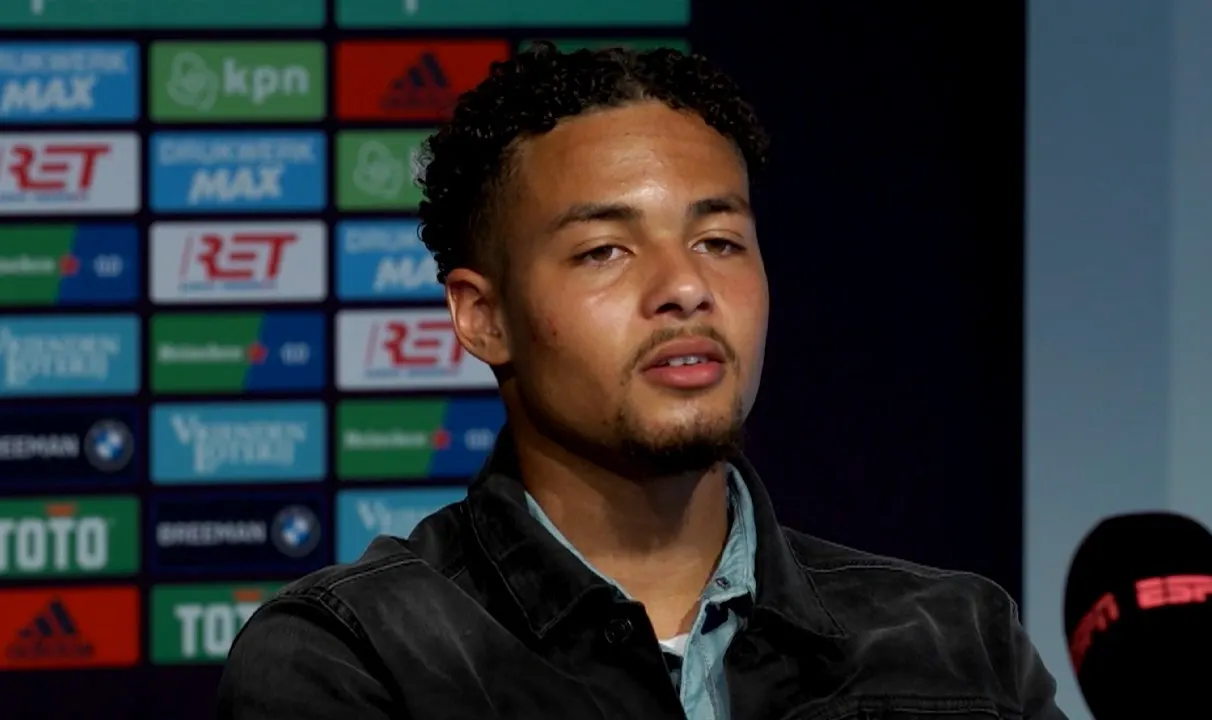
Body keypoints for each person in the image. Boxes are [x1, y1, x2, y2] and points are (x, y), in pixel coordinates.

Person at [217, 42, 1066, 720]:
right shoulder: (356, 656)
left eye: (719, 242)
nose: (685, 286)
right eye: (605, 251)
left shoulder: (958, 640)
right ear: (483, 317)